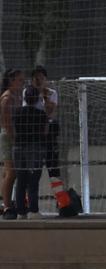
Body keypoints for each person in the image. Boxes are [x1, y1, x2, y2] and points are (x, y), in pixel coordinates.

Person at [12, 85, 48, 219]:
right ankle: (33, 210)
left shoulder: (16, 112)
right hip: (35, 147)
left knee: (20, 180)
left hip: (18, 147)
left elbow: (13, 130)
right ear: (37, 98)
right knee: (33, 180)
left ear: (24, 98)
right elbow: (45, 132)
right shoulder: (41, 114)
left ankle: (20, 211)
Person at [0, 69, 24, 219]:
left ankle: (7, 203)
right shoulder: (7, 97)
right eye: (20, 80)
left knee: (9, 173)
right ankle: (7, 206)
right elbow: (7, 123)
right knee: (11, 172)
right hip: (9, 137)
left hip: (15, 136)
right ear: (12, 80)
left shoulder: (17, 96)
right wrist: (14, 139)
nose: (22, 83)